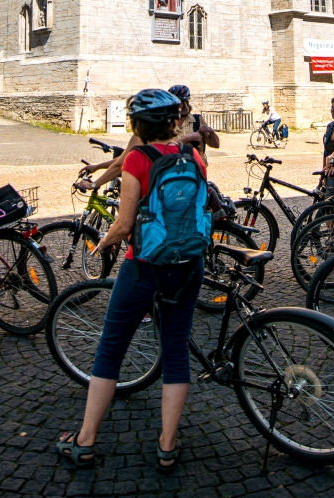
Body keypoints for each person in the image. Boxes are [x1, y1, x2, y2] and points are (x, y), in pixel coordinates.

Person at [57, 89, 206, 473]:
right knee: (175, 352)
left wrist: (101, 244)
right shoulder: (194, 157)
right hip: (188, 264)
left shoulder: (138, 158)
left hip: (144, 265)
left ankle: (85, 440)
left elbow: (124, 225)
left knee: (111, 349)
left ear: (138, 126)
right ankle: (168, 445)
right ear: (175, 122)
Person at [75, 85, 218, 191]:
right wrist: (98, 166)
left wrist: (95, 184)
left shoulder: (140, 141)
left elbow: (122, 163)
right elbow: (123, 160)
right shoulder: (191, 154)